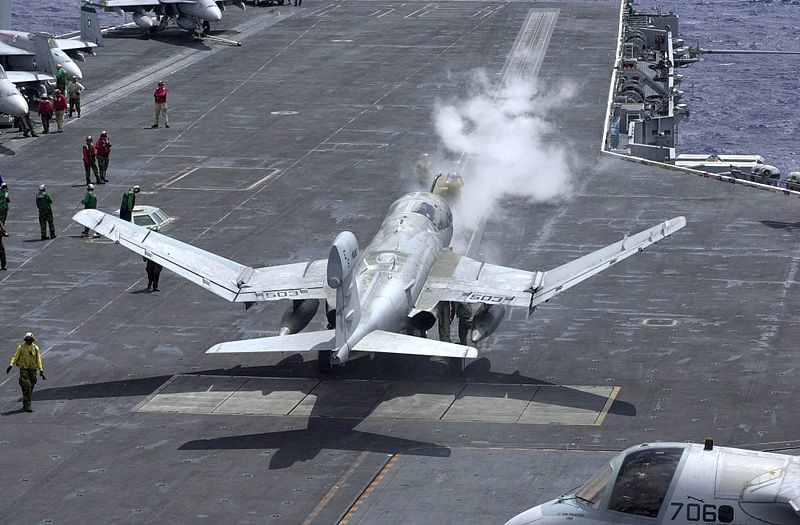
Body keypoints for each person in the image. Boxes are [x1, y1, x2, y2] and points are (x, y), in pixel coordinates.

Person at [6, 332, 45, 412]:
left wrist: (41, 370)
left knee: (32, 385)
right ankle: (28, 405)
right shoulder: (21, 347)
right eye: (27, 340)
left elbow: (38, 359)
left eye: (30, 340)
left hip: (32, 369)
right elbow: (16, 356)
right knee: (27, 385)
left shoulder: (35, 348)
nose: (28, 341)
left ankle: (25, 401)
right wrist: (11, 365)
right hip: (24, 369)